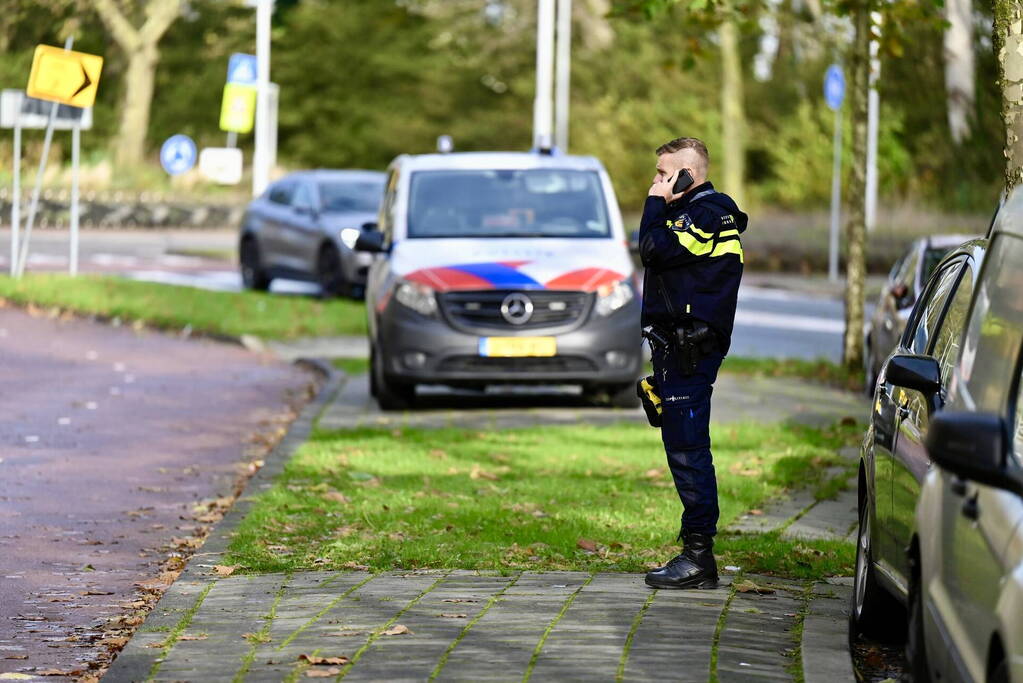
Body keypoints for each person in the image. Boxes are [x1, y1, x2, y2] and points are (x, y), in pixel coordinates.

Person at [636, 137, 748, 589]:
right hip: (676, 348)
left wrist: (654, 202)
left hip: (691, 349)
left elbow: (651, 248)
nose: (656, 182)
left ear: (688, 175)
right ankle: (697, 553)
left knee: (688, 449)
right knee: (681, 445)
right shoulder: (691, 214)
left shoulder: (706, 214)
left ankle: (699, 556)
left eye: (664, 174)